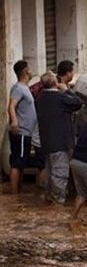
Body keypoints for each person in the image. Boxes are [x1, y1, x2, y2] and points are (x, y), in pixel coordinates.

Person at [36, 72, 82, 204]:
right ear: (55, 82)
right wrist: (67, 90)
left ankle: (50, 200)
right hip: (60, 143)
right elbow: (78, 103)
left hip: (46, 142)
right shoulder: (59, 98)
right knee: (60, 174)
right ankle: (58, 203)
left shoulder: (40, 98)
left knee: (50, 173)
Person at [7, 60, 37, 194]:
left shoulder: (25, 87)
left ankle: (18, 192)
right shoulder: (18, 88)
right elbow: (11, 105)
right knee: (17, 163)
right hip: (21, 131)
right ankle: (14, 196)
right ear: (25, 71)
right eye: (29, 69)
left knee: (21, 163)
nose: (31, 71)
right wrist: (14, 121)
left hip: (27, 132)